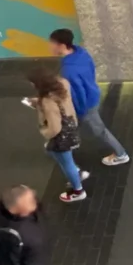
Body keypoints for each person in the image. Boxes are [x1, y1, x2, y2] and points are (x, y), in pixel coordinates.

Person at [49, 29, 130, 167]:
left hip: (85, 105)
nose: (50, 46)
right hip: (92, 94)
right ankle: (65, 144)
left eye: (52, 44)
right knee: (72, 125)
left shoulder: (69, 70)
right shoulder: (81, 53)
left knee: (100, 131)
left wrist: (79, 111)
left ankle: (121, 154)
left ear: (62, 46)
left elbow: (77, 93)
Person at [29, 70, 87, 203]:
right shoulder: (63, 84)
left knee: (67, 163)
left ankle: (78, 190)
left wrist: (45, 132)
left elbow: (55, 128)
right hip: (71, 125)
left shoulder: (47, 102)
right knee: (51, 151)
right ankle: (76, 174)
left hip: (61, 137)